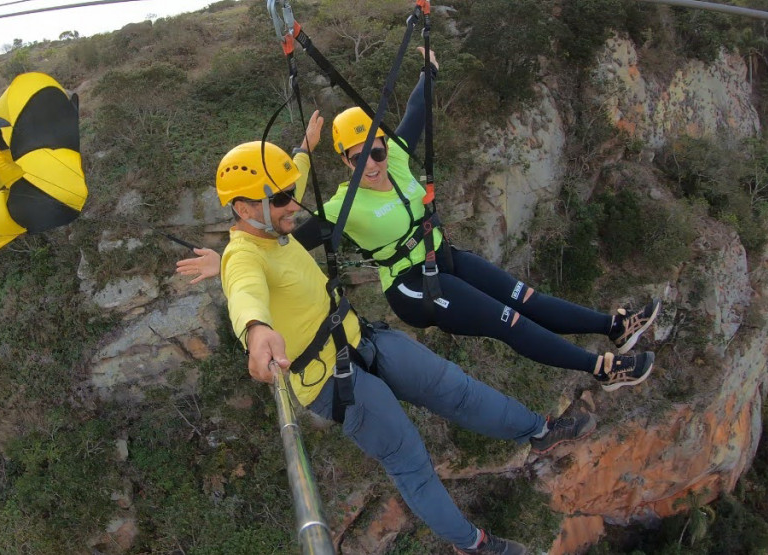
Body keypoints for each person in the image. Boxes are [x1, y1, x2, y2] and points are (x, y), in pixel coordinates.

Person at [177, 47, 661, 393]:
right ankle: (601, 368)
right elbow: (281, 240)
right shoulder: (342, 206)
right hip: (412, 286)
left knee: (524, 297)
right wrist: (226, 260)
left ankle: (613, 326)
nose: (371, 164)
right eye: (357, 158)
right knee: (509, 321)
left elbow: (415, 109)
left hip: (443, 256)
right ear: (344, 161)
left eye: (375, 151)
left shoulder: (398, 157)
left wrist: (428, 68)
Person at [211, 133, 595, 555]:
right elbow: (244, 290)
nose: (294, 206)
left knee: (455, 387)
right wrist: (256, 329)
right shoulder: (242, 257)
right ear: (244, 208)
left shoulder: (272, 224)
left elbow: (294, 178)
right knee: (410, 460)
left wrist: (303, 149)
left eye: (291, 193)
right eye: (282, 198)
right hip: (330, 381)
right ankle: (473, 545)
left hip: (362, 339)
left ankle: (539, 430)